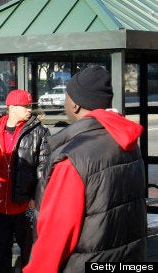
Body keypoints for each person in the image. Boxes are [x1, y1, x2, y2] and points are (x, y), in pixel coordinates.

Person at [24, 66, 146, 272]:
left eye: (66, 96)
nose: (65, 102)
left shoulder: (73, 158)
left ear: (76, 104)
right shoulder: (126, 142)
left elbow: (56, 236)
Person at [0, 89, 50, 272]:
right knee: (1, 254)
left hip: (25, 205)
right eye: (25, 106)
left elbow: (44, 168)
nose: (29, 110)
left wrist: (36, 197)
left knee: (29, 255)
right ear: (11, 107)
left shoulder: (39, 131)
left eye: (30, 106)